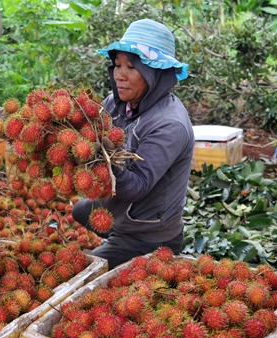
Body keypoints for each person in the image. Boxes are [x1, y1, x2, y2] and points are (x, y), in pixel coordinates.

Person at [71, 19, 194, 270]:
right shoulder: (116, 102)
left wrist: (102, 155)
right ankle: (115, 237)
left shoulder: (170, 124)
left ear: (155, 73)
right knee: (79, 211)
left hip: (149, 234)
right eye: (117, 65)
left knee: (85, 269)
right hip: (122, 212)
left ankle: (124, 247)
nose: (120, 75)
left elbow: (136, 187)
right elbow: (87, 132)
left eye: (132, 67)